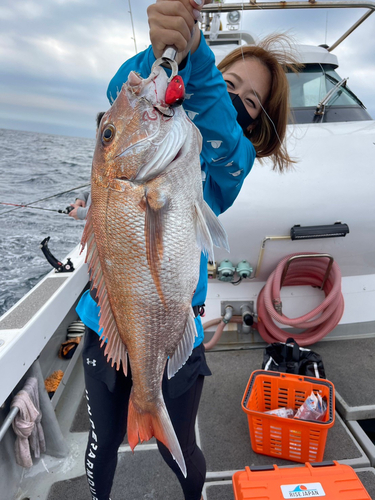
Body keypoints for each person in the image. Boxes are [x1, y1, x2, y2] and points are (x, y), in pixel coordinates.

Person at [76, 1, 299, 499]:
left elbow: (221, 134)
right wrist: (168, 52)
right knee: (105, 439)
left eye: (250, 99)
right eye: (230, 83)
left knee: (180, 452)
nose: (236, 96)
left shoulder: (224, 167)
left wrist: (197, 58)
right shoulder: (163, 122)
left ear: (257, 124)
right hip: (104, 323)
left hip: (174, 327)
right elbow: (122, 94)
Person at [68, 112, 106, 221]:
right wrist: (84, 196)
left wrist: (82, 213)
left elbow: (117, 210)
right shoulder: (100, 158)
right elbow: (101, 191)